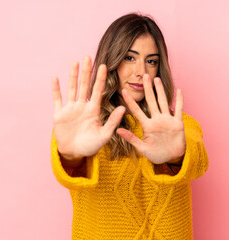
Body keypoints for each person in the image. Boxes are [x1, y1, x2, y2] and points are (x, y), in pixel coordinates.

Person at [51, 13, 209, 240]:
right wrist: (70, 155)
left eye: (151, 61)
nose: (141, 71)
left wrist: (176, 158)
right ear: (112, 59)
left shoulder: (181, 126)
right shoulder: (85, 127)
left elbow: (198, 158)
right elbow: (71, 168)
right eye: (129, 57)